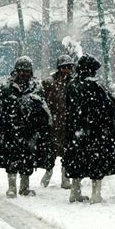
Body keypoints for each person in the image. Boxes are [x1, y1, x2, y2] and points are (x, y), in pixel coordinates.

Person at [63, 54, 115, 203]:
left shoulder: (72, 85)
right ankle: (95, 194)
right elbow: (107, 107)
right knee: (95, 163)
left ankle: (75, 192)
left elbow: (69, 108)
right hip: (94, 133)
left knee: (77, 161)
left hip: (76, 132)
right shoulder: (96, 86)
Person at [0, 56, 53, 198]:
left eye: (27, 71)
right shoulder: (7, 88)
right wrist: (2, 127)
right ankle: (12, 187)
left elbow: (43, 109)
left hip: (30, 131)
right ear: (16, 71)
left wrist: (41, 125)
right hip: (11, 131)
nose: (24, 74)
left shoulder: (36, 88)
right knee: (12, 161)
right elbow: (0, 111)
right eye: (21, 71)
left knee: (27, 161)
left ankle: (24, 187)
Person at [40, 55, 75, 189]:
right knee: (51, 151)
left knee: (67, 152)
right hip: (53, 123)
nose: (66, 70)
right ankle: (48, 172)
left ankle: (65, 177)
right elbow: (42, 102)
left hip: (69, 123)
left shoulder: (74, 83)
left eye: (69, 67)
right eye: (64, 67)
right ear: (59, 68)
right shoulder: (49, 83)